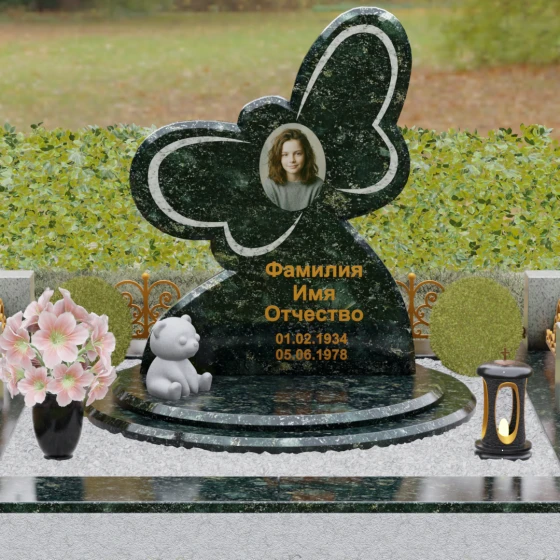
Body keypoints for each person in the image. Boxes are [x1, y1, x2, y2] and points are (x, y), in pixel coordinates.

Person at [262, 129, 324, 211]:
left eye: (298, 153)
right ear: (278, 158)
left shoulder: (318, 186)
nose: (292, 160)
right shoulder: (270, 186)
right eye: (285, 155)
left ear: (306, 155)